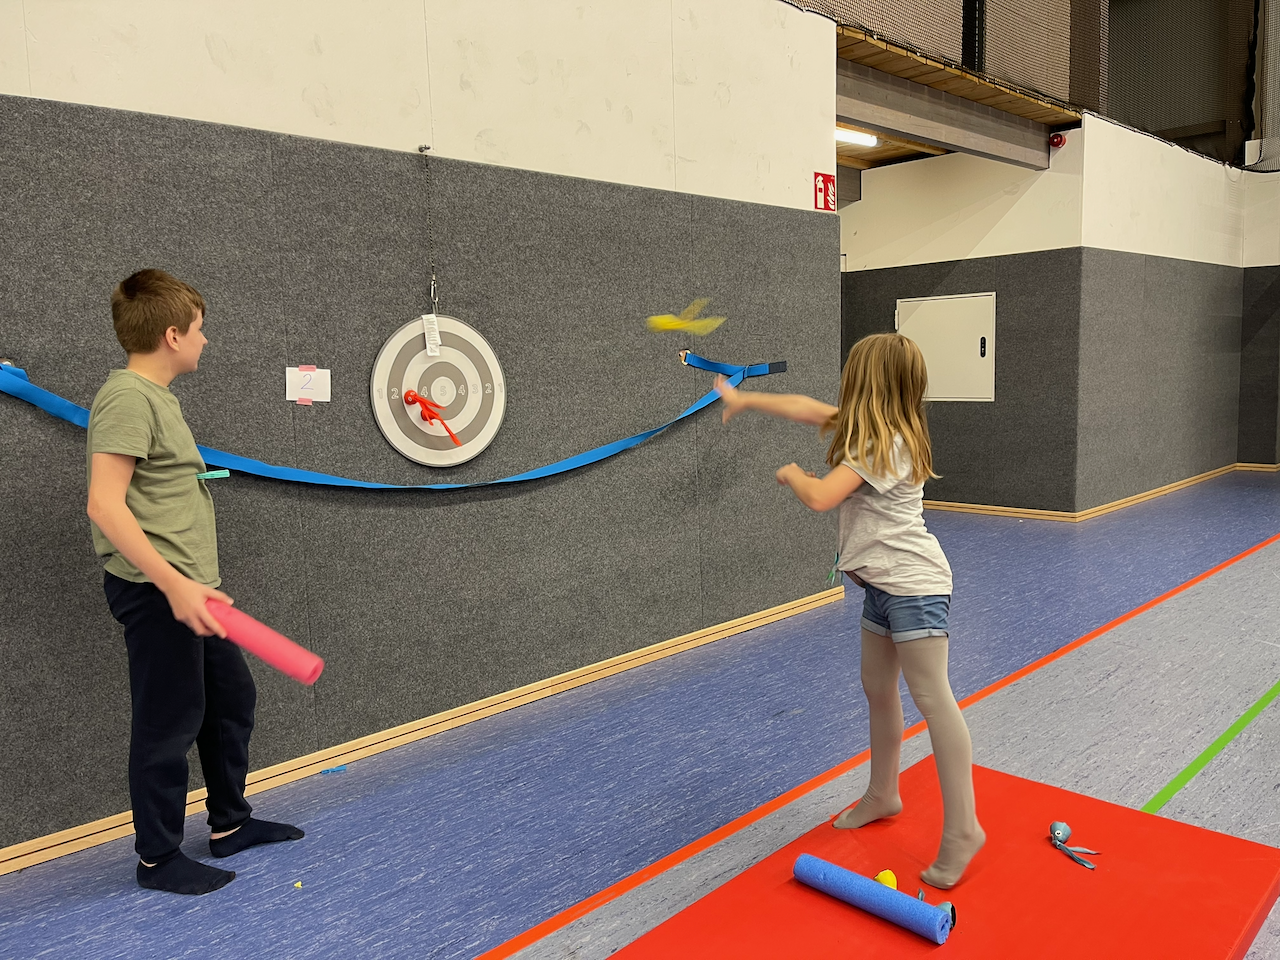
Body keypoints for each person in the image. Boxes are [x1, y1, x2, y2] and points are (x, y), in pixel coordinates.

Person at [715, 332, 984, 889]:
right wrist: (746, 400)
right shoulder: (872, 428)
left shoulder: (880, 444)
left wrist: (793, 475)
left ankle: (964, 829)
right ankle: (884, 792)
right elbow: (805, 408)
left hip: (912, 585)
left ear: (869, 383)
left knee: (934, 699)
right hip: (880, 585)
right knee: (877, 689)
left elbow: (820, 497)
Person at [86, 269, 303, 895]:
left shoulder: (158, 399)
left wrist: (195, 580)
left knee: (230, 701)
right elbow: (105, 504)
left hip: (191, 588)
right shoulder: (127, 397)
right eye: (201, 330)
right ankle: (157, 857)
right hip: (157, 592)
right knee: (169, 721)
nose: (207, 341)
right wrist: (175, 586)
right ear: (173, 334)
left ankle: (230, 823)